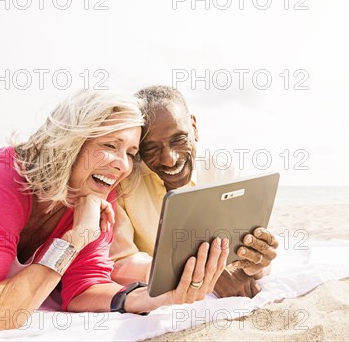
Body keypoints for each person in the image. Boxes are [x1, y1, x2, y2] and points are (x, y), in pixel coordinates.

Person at [0, 90, 228, 332]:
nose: (123, 166)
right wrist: (74, 239)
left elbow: (85, 285)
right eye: (109, 146)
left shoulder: (93, 191)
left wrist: (152, 297)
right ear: (69, 142)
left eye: (131, 152)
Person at [111, 86, 279, 298]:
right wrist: (205, 274)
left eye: (178, 139)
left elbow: (248, 254)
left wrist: (257, 262)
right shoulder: (124, 184)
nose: (169, 159)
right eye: (151, 148)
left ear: (194, 127)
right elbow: (119, 262)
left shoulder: (223, 171)